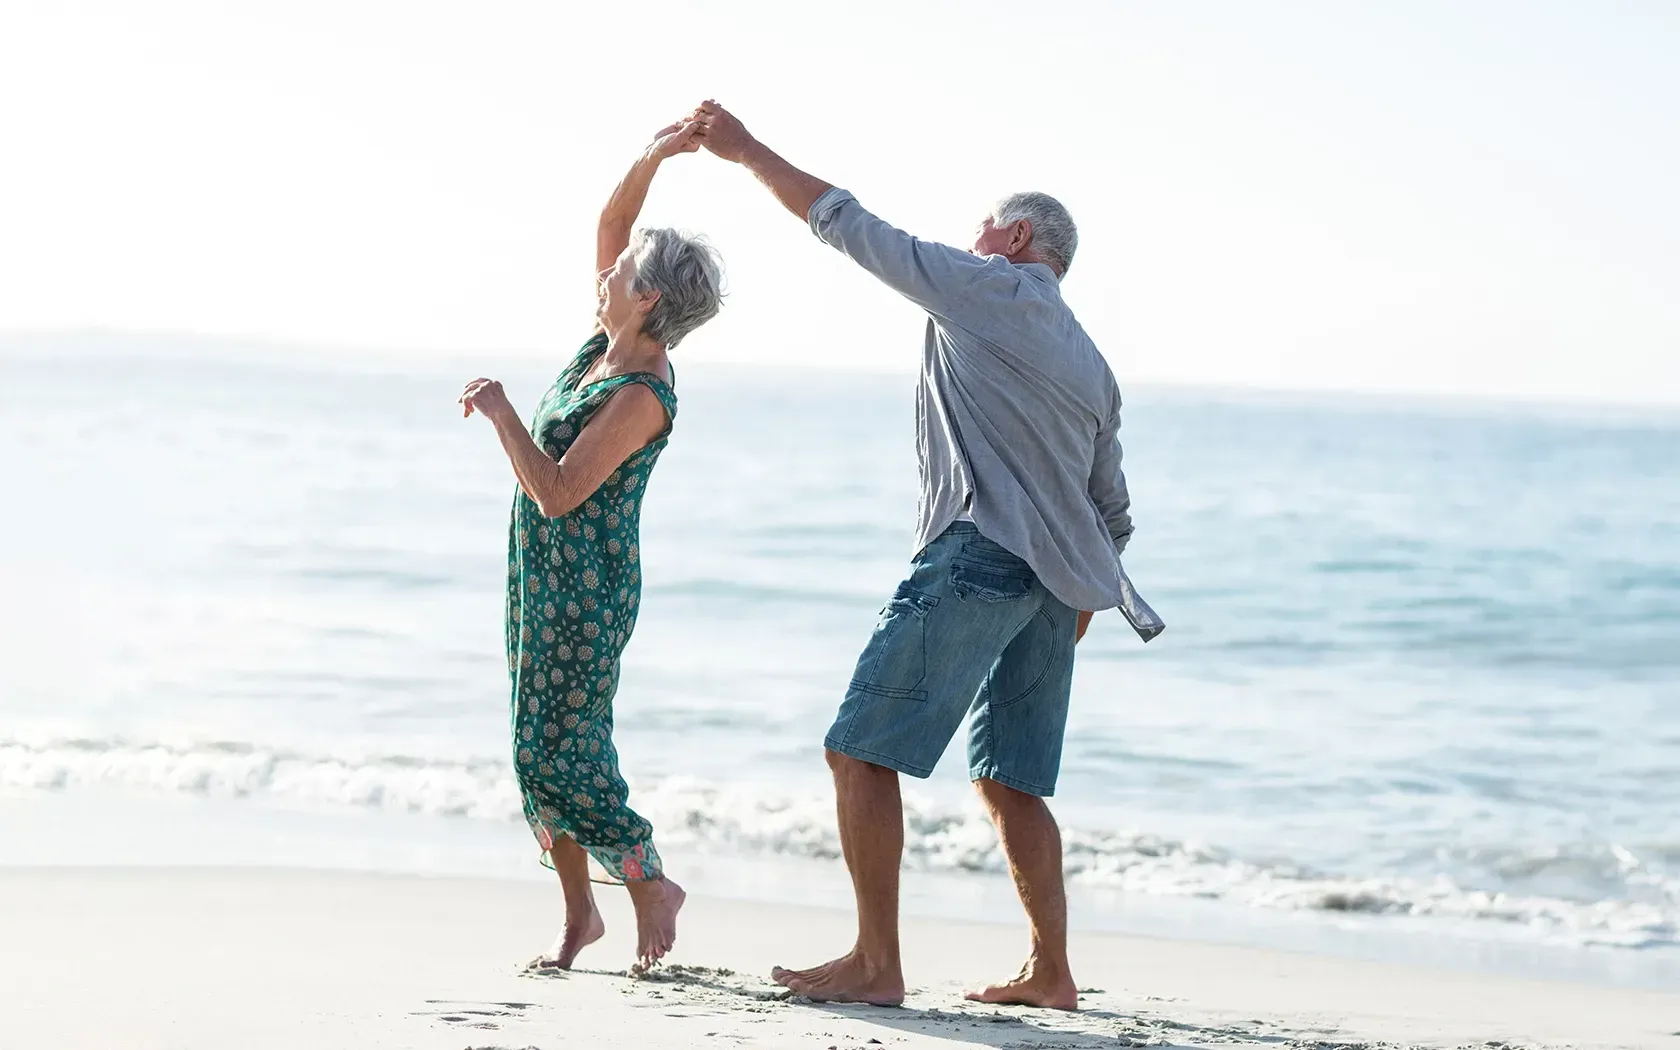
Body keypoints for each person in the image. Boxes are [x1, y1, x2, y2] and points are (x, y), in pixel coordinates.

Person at [693, 100, 1164, 1010]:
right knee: (1011, 780)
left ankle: (877, 963)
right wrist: (1070, 605)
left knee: (857, 753)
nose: (971, 236)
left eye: (984, 225)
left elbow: (851, 226)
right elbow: (1114, 510)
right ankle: (1052, 973)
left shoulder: (986, 286)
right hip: (1057, 590)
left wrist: (746, 151)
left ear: (1016, 235)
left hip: (979, 555)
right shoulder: (1094, 362)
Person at [459, 117, 724, 970]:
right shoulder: (602, 348)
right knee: (534, 747)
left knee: (557, 748)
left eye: (622, 273)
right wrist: (655, 155)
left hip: (586, 586)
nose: (605, 272)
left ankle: (648, 880)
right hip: (537, 575)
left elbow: (562, 491)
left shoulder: (643, 389)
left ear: (648, 298)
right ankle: (581, 918)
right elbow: (612, 229)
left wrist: (502, 415)